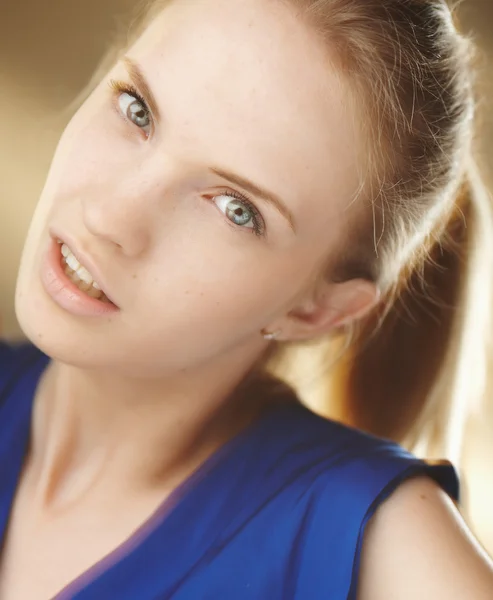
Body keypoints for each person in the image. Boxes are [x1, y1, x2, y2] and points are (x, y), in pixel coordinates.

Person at [1, 0, 493, 597]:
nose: (109, 218)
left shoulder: (384, 543)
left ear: (314, 310)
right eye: (137, 109)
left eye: (238, 210)